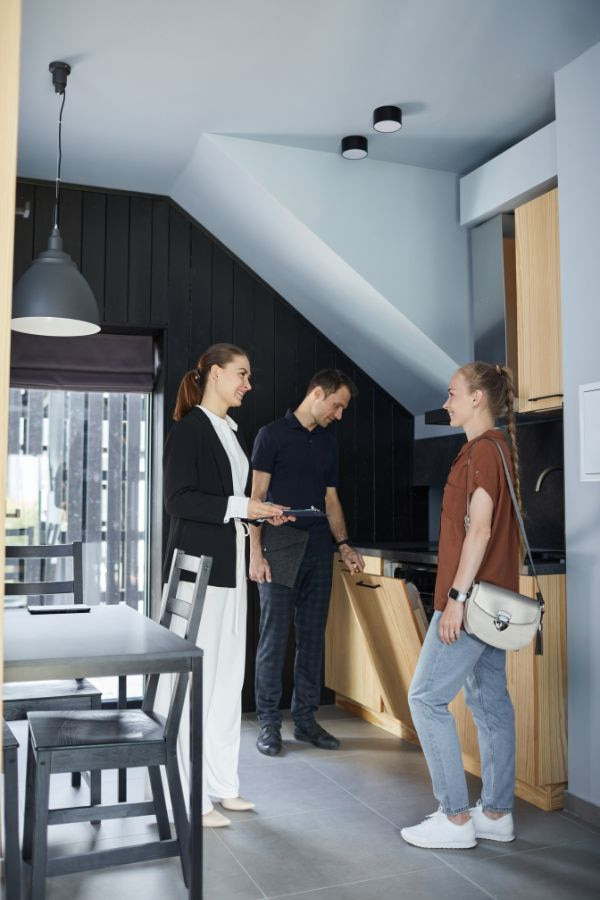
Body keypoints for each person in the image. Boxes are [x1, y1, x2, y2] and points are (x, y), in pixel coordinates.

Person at [159, 343, 288, 828]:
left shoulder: (231, 433)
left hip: (230, 572)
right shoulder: (189, 429)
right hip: (200, 573)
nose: (248, 385)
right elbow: (179, 500)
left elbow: (233, 500)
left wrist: (261, 511)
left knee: (228, 679)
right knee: (201, 683)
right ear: (214, 374)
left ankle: (222, 784)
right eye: (241, 374)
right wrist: (244, 507)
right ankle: (192, 795)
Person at [401, 361, 520, 850]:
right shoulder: (499, 448)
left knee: (424, 698)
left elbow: (481, 530)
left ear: (477, 399)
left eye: (452, 394)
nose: (446, 403)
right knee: (490, 703)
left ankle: (454, 819)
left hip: (472, 601)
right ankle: (495, 812)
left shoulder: (480, 452)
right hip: (498, 600)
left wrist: (455, 600)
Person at [250, 369, 365, 756]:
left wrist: (344, 544)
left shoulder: (330, 443)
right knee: (274, 639)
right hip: (279, 546)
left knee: (313, 639)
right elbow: (257, 497)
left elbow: (331, 501)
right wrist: (255, 552)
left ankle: (305, 721)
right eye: (337, 405)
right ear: (318, 393)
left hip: (319, 549)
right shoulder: (271, 436)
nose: (339, 414)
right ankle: (268, 723)